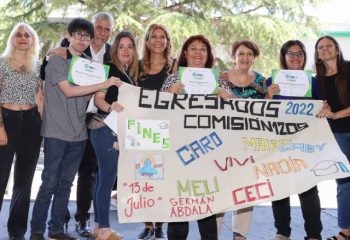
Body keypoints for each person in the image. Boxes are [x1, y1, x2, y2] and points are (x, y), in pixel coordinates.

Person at [29, 18, 119, 240]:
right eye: (77, 35)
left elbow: (97, 97)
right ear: (69, 36)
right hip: (55, 132)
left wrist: (110, 105)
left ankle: (56, 229)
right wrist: (103, 84)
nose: (82, 40)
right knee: (49, 181)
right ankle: (37, 230)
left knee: (66, 184)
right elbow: (69, 91)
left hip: (79, 134)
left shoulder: (91, 66)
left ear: (91, 39)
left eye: (86, 36)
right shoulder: (57, 60)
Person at [161, 34, 231, 240]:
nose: (198, 53)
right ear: (185, 53)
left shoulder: (216, 79)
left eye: (203, 49)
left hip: (208, 149)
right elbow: (156, 109)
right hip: (179, 150)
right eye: (193, 48)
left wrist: (229, 97)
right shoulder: (174, 78)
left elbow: (236, 109)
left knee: (207, 206)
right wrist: (168, 93)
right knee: (179, 205)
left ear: (208, 54)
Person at [266, 40, 323, 240]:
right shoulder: (271, 81)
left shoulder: (314, 82)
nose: (295, 57)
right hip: (277, 143)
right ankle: (282, 232)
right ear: (284, 56)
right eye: (291, 53)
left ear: (304, 57)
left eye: (299, 53)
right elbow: (260, 114)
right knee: (279, 189)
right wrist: (268, 98)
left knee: (308, 190)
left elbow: (322, 107)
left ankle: (314, 234)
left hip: (305, 144)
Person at [90, 31, 138, 240]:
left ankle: (98, 227)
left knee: (102, 178)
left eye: (130, 46)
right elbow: (98, 98)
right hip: (106, 130)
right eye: (121, 46)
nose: (126, 50)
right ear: (115, 49)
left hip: (116, 131)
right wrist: (111, 108)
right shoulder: (109, 69)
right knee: (107, 179)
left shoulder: (129, 74)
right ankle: (105, 231)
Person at [219, 40, 266, 240]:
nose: (245, 58)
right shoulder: (219, 78)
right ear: (233, 56)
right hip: (221, 141)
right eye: (241, 54)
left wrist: (270, 97)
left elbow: (268, 111)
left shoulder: (261, 82)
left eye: (249, 54)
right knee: (219, 188)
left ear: (254, 57)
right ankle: (213, 234)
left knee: (246, 189)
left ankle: (240, 235)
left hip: (249, 143)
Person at [0, 22, 43, 240]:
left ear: (33, 39)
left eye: (27, 34)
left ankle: (17, 232)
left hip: (32, 123)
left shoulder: (37, 65)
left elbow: (40, 97)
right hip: (6, 120)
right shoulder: (2, 63)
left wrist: (43, 123)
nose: (23, 37)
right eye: (18, 34)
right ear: (12, 39)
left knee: (24, 181)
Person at [137, 23, 174, 240]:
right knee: (145, 178)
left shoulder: (174, 67)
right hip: (142, 130)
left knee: (163, 180)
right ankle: (148, 225)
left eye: (163, 37)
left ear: (168, 42)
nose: (158, 40)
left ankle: (160, 225)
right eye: (154, 37)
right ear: (148, 41)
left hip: (167, 129)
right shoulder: (138, 66)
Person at [315, 35, 350, 240]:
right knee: (344, 182)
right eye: (321, 47)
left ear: (337, 49)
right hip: (336, 134)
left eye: (329, 46)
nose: (325, 49)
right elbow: (321, 106)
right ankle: (345, 231)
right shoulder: (317, 78)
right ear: (318, 53)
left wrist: (336, 114)